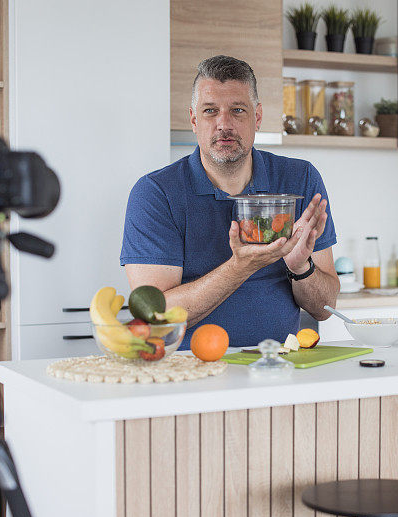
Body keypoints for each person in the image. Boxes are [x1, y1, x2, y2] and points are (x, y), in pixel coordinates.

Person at [121, 55, 339, 349]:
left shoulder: (299, 179)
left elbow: (324, 308)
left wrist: (300, 267)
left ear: (257, 117)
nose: (224, 124)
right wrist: (241, 266)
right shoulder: (155, 193)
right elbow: (156, 315)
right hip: (189, 371)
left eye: (238, 110)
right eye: (210, 111)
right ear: (194, 119)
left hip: (279, 367)